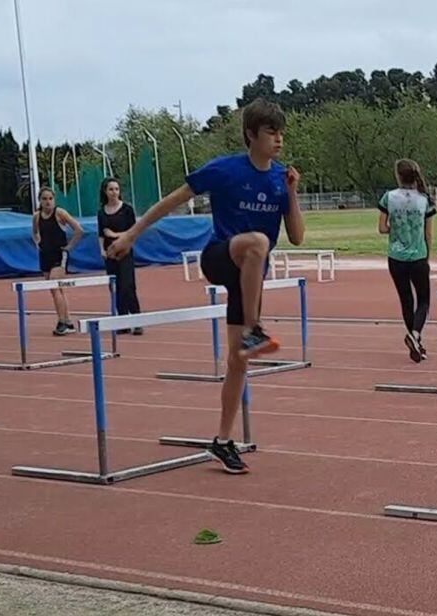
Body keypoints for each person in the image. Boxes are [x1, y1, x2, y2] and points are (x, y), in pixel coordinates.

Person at [107, 98, 305, 474]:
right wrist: (132, 235)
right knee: (258, 243)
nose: (279, 140)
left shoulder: (280, 179)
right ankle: (254, 329)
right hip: (219, 256)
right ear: (251, 135)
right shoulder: (225, 170)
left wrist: (292, 191)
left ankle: (222, 440)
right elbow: (171, 201)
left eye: (281, 133)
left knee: (238, 363)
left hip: (250, 278)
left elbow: (295, 236)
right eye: (271, 133)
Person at [378, 159, 436, 363]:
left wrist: (397, 228)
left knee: (406, 301)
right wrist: (428, 256)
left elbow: (382, 228)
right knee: (424, 301)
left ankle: (416, 342)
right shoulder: (425, 199)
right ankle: (416, 335)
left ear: (398, 176)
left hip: (395, 257)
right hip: (418, 256)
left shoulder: (389, 197)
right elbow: (429, 234)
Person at [32, 186, 84, 336]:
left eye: (50, 199)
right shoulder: (36, 216)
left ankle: (62, 321)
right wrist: (38, 243)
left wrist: (69, 247)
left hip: (59, 255)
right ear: (40, 201)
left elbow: (79, 230)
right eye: (44, 199)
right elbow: (35, 232)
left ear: (54, 200)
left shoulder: (60, 213)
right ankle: (67, 321)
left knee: (56, 286)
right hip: (45, 255)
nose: (48, 202)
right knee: (56, 289)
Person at [97, 177, 143, 335]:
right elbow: (101, 234)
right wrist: (102, 250)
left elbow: (134, 231)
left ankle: (137, 320)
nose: (114, 192)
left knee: (127, 286)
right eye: (111, 189)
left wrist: (116, 235)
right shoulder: (101, 212)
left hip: (125, 252)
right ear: (105, 191)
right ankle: (122, 321)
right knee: (115, 287)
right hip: (110, 253)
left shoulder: (127, 210)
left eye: (116, 189)